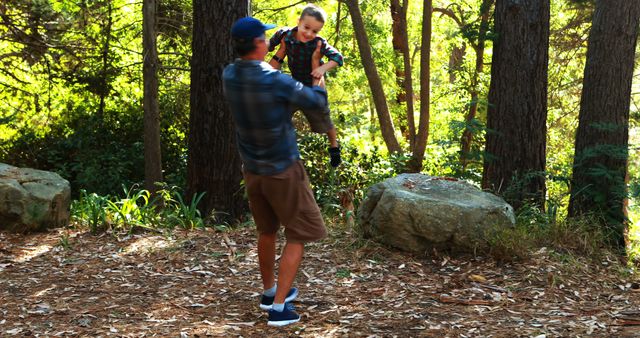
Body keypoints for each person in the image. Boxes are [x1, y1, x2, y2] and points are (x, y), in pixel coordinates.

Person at [223, 16, 330, 327]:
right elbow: (315, 102)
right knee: (297, 234)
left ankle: (269, 292)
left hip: (252, 169)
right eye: (265, 39)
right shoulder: (275, 81)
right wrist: (317, 72)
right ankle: (279, 309)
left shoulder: (230, 75)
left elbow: (265, 75)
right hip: (283, 169)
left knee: (267, 230)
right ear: (259, 44)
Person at [268, 4, 344, 168]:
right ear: (299, 21)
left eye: (315, 31)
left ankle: (334, 146)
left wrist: (322, 68)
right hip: (296, 85)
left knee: (325, 117)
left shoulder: (318, 43)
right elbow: (268, 45)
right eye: (306, 27)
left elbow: (338, 58)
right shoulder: (284, 34)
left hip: (314, 86)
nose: (309, 34)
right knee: (280, 112)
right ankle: (278, 145)